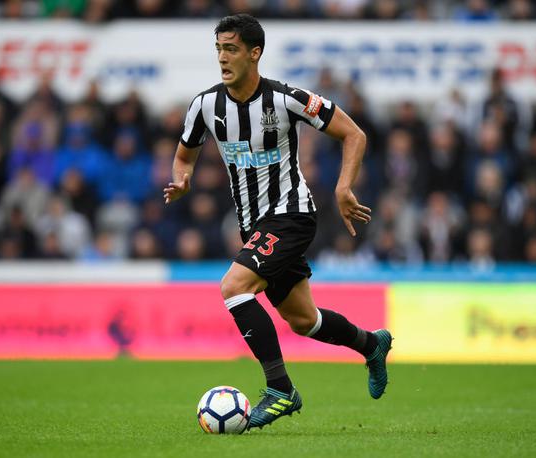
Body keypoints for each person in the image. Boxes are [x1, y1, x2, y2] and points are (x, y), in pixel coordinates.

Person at [163, 14, 392, 430]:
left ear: (255, 53)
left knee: (233, 287)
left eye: (230, 49)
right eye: (218, 48)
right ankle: (371, 344)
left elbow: (353, 133)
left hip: (291, 214)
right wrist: (182, 177)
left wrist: (343, 188)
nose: (222, 58)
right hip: (254, 225)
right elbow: (184, 152)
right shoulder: (205, 106)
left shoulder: (287, 99)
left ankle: (280, 389)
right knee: (305, 321)